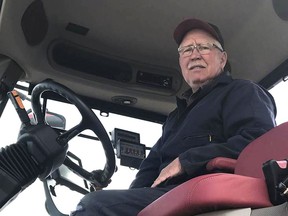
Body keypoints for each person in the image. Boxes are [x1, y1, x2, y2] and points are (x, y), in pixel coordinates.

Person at [70, 18, 277, 216]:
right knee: (98, 202)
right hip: (166, 196)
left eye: (204, 47)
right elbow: (150, 166)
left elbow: (257, 143)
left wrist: (186, 161)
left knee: (93, 207)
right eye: (187, 50)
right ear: (181, 62)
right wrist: (131, 194)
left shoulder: (242, 92)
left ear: (222, 59)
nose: (194, 55)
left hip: (202, 193)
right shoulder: (176, 117)